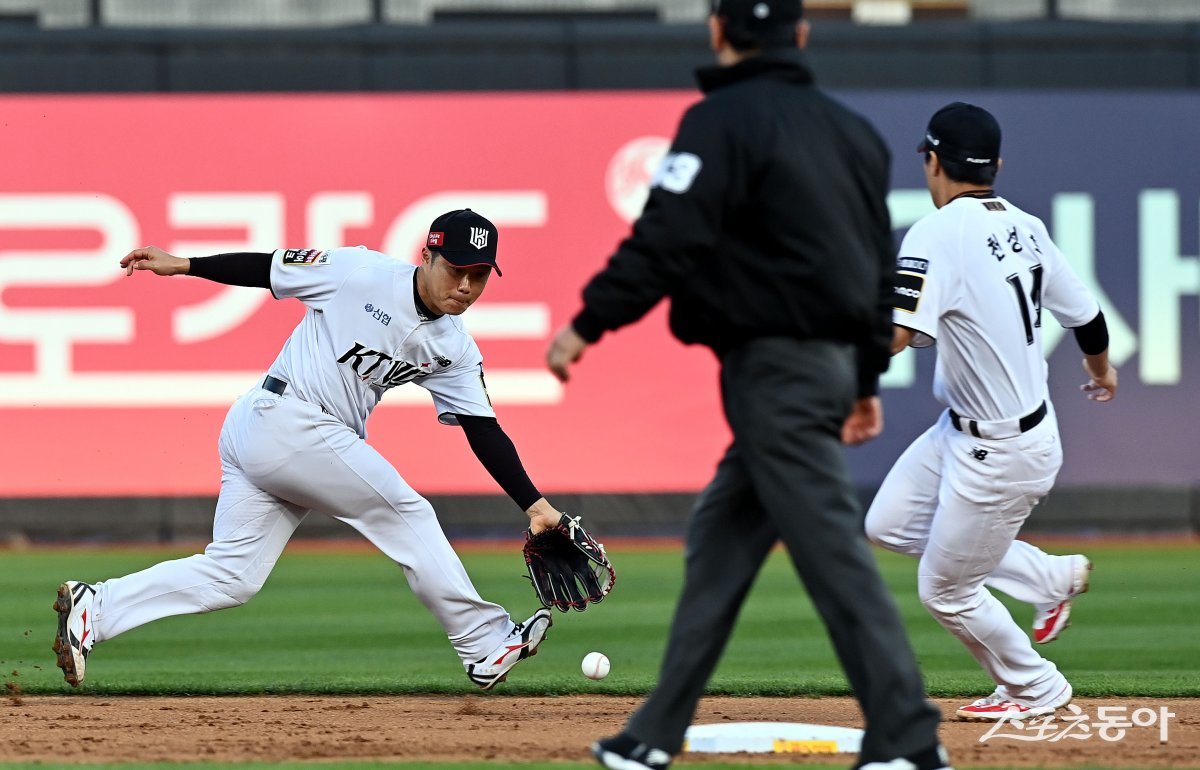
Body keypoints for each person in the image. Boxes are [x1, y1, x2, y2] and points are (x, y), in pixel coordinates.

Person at [545, 2, 946, 769]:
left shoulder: (719, 121)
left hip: (776, 377)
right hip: (821, 370)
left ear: (717, 31)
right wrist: (865, 377)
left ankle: (909, 737)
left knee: (832, 554)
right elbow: (875, 270)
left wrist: (590, 321)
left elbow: (667, 236)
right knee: (720, 544)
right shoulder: (854, 133)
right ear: (801, 34)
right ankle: (652, 736)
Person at [53, 209, 559, 691]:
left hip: (281, 435)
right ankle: (482, 641)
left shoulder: (455, 349)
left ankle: (96, 607)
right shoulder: (359, 272)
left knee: (233, 577)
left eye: (479, 275)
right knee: (407, 512)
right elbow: (269, 267)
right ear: (426, 256)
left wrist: (534, 506)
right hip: (287, 419)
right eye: (455, 269)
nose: (465, 285)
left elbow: (483, 429)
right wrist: (185, 264)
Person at [865, 102, 1116, 721]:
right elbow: (1087, 316)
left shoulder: (935, 232)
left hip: (1001, 451)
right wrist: (1101, 371)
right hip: (966, 429)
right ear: (995, 165)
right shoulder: (1026, 226)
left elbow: (895, 336)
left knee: (946, 590)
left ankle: (1035, 687)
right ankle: (1046, 578)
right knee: (889, 526)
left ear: (931, 160)